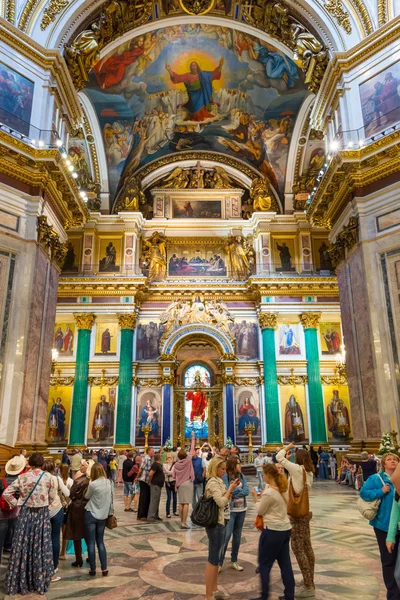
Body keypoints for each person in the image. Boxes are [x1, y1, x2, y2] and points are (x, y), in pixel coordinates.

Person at [2, 453, 57, 596]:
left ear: (30, 463)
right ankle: (38, 580)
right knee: (39, 546)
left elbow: (6, 493)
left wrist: (17, 504)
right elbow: (52, 496)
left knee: (22, 546)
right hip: (41, 515)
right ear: (42, 463)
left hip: (25, 515)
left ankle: (20, 580)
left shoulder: (22, 477)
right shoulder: (49, 477)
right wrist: (44, 504)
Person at [250, 463, 295, 600]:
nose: (262, 476)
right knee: (285, 564)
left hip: (272, 531)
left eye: (263, 473)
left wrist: (255, 497)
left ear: (268, 475)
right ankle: (289, 595)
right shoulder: (283, 488)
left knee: (264, 565)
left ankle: (264, 596)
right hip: (285, 530)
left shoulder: (269, 493)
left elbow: (260, 510)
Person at [277, 443, 315, 598]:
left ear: (297, 458)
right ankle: (310, 580)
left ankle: (307, 587)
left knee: (298, 549)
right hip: (306, 513)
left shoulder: (297, 469)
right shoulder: (308, 471)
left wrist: (287, 447)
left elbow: (278, 457)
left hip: (297, 516)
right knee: (307, 547)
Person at [360, 453, 400, 600]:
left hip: (399, 525)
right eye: (389, 459)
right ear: (384, 463)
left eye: (395, 459)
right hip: (383, 525)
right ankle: (393, 593)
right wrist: (381, 492)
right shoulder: (376, 479)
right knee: (388, 560)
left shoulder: (399, 478)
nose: (393, 461)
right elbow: (364, 493)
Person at [204, 456, 240, 600]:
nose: (225, 472)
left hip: (222, 520)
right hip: (215, 524)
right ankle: (208, 595)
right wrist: (230, 488)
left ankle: (215, 589)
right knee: (213, 560)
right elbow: (220, 502)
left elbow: (227, 499)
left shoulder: (219, 481)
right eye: (223, 469)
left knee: (217, 559)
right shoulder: (212, 482)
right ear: (215, 468)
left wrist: (231, 489)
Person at [42, 459, 71, 580]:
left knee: (43, 537)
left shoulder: (40, 478)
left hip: (43, 510)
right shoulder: (56, 478)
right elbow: (67, 493)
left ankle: (42, 563)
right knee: (55, 537)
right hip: (56, 509)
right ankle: (54, 565)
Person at [220, 457, 249, 572]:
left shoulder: (241, 476)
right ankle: (220, 562)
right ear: (232, 465)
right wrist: (234, 491)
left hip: (242, 509)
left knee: (237, 536)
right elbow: (227, 491)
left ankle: (234, 561)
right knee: (226, 536)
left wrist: (234, 491)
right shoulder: (225, 476)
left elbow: (246, 491)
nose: (240, 465)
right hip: (230, 511)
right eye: (238, 463)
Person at [85, 463, 113, 577]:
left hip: (91, 514)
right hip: (103, 516)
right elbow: (111, 499)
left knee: (91, 543)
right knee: (100, 542)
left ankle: (92, 569)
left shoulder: (93, 484)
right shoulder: (109, 483)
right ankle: (104, 568)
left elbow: (86, 496)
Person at [65, 459, 93, 567]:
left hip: (77, 508)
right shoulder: (92, 481)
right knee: (88, 535)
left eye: (82, 466)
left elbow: (71, 494)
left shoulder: (79, 480)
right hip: (88, 508)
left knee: (77, 534)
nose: (80, 467)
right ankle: (91, 557)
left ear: (87, 467)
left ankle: (78, 559)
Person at [0, 455, 26, 562]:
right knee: (16, 538)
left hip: (2, 512)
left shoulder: (2, 481)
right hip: (17, 512)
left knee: (0, 540)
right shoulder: (21, 481)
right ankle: (14, 561)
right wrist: (15, 504)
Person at [172, 430, 196, 529]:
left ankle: (181, 521)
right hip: (188, 482)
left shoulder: (176, 464)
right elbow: (192, 448)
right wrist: (193, 437)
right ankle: (184, 522)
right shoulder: (188, 459)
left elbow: (173, 475)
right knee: (186, 503)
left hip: (179, 484)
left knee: (181, 503)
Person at [59, 463, 73, 560]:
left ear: (59, 471)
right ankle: (63, 552)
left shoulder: (57, 480)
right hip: (67, 507)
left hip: (57, 507)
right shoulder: (71, 481)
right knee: (65, 531)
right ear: (68, 471)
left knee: (55, 532)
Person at [137, 447, 155, 521]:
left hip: (147, 481)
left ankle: (145, 514)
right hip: (144, 480)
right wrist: (137, 477)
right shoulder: (146, 458)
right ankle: (141, 515)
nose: (153, 452)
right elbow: (141, 468)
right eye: (152, 451)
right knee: (143, 498)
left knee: (147, 497)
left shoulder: (151, 459)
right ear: (148, 451)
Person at [147, 453, 165, 523]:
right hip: (155, 485)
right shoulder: (155, 464)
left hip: (158, 485)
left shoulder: (158, 464)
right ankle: (151, 517)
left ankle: (155, 515)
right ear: (159, 457)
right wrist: (150, 481)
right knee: (154, 501)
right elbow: (150, 474)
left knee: (157, 500)